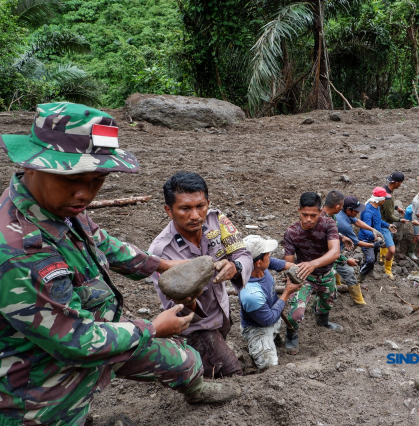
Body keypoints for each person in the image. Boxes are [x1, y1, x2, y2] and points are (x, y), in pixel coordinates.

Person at [0, 102, 240, 425]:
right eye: (73, 178)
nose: (85, 193)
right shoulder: (20, 250)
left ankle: (196, 387)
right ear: (31, 166)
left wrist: (160, 266)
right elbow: (77, 342)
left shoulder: (59, 205)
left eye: (97, 179)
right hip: (39, 380)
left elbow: (103, 242)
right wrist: (153, 327)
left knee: (182, 359)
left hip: (97, 328)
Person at [150, 172, 253, 379]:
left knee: (211, 366)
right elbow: (173, 308)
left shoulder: (217, 221)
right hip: (196, 326)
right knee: (232, 374)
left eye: (200, 206)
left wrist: (235, 267)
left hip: (222, 311)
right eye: (185, 209)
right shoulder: (162, 252)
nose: (195, 215)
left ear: (208, 202)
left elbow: (243, 253)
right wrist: (188, 300)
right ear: (168, 210)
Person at [283, 192, 341, 354]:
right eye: (304, 215)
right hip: (304, 276)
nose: (308, 219)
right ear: (299, 210)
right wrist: (291, 280)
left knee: (327, 302)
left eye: (313, 215)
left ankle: (322, 322)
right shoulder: (292, 232)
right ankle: (291, 334)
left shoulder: (328, 224)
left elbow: (335, 252)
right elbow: (289, 263)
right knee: (295, 314)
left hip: (326, 273)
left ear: (320, 211)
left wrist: (312, 264)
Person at [239, 235, 301, 371]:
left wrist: (292, 267)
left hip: (272, 312)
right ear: (258, 262)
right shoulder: (251, 294)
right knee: (270, 367)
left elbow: (273, 262)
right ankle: (258, 349)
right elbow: (267, 320)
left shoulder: (256, 266)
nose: (270, 255)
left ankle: (275, 339)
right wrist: (287, 292)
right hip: (258, 327)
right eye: (267, 254)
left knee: (275, 326)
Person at [321, 190, 367, 305]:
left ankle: (337, 288)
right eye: (341, 205)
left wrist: (341, 237)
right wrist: (346, 260)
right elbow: (326, 252)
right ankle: (358, 301)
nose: (342, 207)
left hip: (331, 256)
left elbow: (333, 232)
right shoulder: (322, 222)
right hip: (324, 260)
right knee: (348, 271)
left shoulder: (332, 216)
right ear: (337, 206)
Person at [336, 195, 384, 303]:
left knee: (335, 267)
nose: (358, 213)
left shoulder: (342, 212)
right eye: (356, 211)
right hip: (332, 250)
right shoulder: (344, 225)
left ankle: (337, 285)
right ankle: (359, 301)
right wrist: (373, 245)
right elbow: (356, 242)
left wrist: (372, 229)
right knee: (348, 271)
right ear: (348, 210)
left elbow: (357, 222)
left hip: (334, 247)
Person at [358, 187, 395, 278]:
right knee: (370, 259)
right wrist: (374, 237)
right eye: (384, 198)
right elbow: (365, 228)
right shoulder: (368, 212)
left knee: (374, 255)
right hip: (367, 239)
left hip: (374, 237)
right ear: (380, 199)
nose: (385, 200)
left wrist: (387, 225)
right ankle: (361, 275)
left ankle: (370, 271)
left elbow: (378, 220)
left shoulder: (376, 206)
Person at [379, 172, 409, 279]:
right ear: (396, 182)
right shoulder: (387, 196)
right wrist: (401, 220)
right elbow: (389, 215)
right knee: (392, 250)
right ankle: (387, 270)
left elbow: (390, 205)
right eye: (400, 183)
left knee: (384, 242)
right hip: (385, 224)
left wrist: (397, 208)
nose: (400, 184)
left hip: (385, 222)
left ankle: (382, 257)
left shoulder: (387, 190)